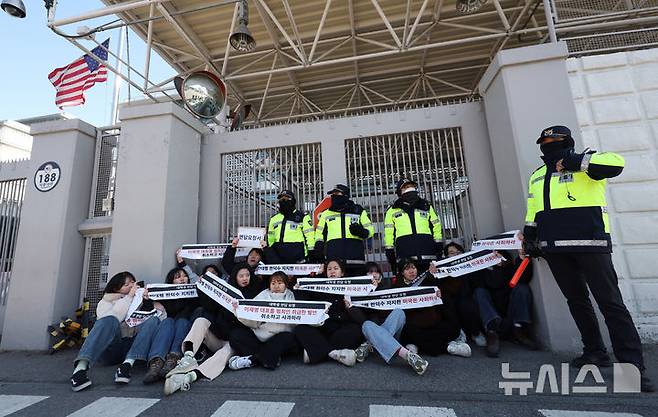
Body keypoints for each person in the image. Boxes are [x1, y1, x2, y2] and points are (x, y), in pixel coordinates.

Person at [523, 125, 653, 392]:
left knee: (611, 304)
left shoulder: (588, 163)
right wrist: (530, 238)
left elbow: (617, 163)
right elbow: (533, 207)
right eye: (544, 140)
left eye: (554, 140)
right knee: (577, 302)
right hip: (555, 248)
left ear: (567, 142)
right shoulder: (537, 174)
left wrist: (576, 162)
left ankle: (632, 368)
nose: (548, 144)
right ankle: (594, 351)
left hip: (591, 244)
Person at [163, 263, 263, 395]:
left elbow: (255, 323)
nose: (245, 278)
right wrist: (202, 286)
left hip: (235, 342)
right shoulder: (226, 292)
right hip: (218, 337)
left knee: (224, 353)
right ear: (235, 277)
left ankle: (190, 377)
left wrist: (239, 311)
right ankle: (188, 357)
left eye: (247, 275)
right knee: (201, 321)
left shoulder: (255, 294)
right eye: (241, 276)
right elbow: (209, 306)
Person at [70, 272, 164, 391]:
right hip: (111, 349)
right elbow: (115, 318)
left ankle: (127, 365)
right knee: (109, 320)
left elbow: (160, 320)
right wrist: (129, 297)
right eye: (126, 284)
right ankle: (80, 369)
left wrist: (150, 301)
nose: (131, 286)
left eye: (132, 282)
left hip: (132, 348)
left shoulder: (140, 300)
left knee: (153, 320)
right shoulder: (105, 302)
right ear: (116, 288)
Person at [346, 262, 429, 375]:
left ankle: (369, 345)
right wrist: (352, 307)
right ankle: (408, 355)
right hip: (371, 330)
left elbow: (405, 297)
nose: (374, 274)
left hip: (389, 332)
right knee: (367, 324)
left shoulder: (388, 286)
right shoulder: (356, 292)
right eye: (370, 272)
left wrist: (378, 289)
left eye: (377, 271)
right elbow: (361, 320)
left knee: (399, 312)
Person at [293, 259, 363, 366]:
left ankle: (317, 352)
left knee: (356, 330)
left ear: (342, 273)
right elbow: (304, 302)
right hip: (321, 327)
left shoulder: (351, 288)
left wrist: (350, 308)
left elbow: (359, 317)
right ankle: (334, 353)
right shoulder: (318, 287)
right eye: (329, 269)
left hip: (340, 328)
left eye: (336, 268)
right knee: (300, 329)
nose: (332, 271)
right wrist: (298, 289)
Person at [227, 271, 300, 370]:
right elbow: (252, 319)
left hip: (280, 337)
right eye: (273, 283)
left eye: (280, 283)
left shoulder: (291, 296)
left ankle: (252, 360)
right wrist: (238, 311)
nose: (276, 286)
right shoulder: (263, 295)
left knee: (287, 338)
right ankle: (269, 356)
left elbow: (297, 319)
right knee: (236, 334)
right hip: (260, 335)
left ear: (286, 285)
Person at [397, 259, 468, 358]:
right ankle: (448, 348)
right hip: (414, 325)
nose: (411, 271)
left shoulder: (426, 280)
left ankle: (417, 346)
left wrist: (439, 295)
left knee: (452, 328)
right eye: (407, 269)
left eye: (413, 267)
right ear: (402, 273)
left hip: (433, 322)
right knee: (409, 333)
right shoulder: (397, 287)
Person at [472, 250, 536, 358]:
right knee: (479, 292)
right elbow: (492, 284)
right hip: (492, 319)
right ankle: (492, 334)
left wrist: (520, 260)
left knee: (522, 288)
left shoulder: (509, 267)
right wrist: (494, 268)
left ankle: (519, 330)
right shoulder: (480, 272)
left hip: (510, 316)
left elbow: (523, 279)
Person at [143, 267, 199, 384]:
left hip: (184, 328)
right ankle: (156, 363)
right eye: (178, 277)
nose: (183, 279)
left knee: (182, 322)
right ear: (171, 282)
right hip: (168, 329)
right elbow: (151, 311)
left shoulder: (194, 295)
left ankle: (173, 359)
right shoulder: (165, 296)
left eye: (184, 276)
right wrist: (148, 299)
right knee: (168, 321)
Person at [383, 178, 443, 272]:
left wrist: (438, 243)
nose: (410, 189)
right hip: (405, 254)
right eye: (406, 187)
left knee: (431, 282)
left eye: (412, 186)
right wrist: (389, 249)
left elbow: (436, 225)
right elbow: (389, 232)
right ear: (400, 192)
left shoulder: (426, 206)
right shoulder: (392, 210)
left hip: (427, 252)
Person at [314, 184, 374, 274]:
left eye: (337, 193)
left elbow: (370, 230)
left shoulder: (358, 211)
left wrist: (361, 232)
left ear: (346, 195)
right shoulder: (326, 213)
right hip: (334, 261)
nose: (334, 196)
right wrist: (319, 245)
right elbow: (319, 232)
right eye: (333, 194)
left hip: (355, 259)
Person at [439, 242, 483, 349]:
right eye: (451, 253)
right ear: (446, 256)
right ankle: (457, 334)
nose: (455, 255)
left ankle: (475, 333)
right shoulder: (442, 271)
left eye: (458, 252)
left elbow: (476, 284)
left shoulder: (470, 269)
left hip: (467, 298)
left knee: (466, 303)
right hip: (450, 299)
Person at [266, 189, 315, 263]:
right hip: (278, 257)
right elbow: (270, 238)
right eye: (281, 199)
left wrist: (311, 252)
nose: (284, 200)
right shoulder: (274, 219)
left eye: (287, 198)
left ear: (293, 200)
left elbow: (310, 236)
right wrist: (270, 252)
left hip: (298, 257)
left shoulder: (303, 216)